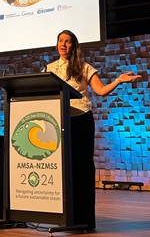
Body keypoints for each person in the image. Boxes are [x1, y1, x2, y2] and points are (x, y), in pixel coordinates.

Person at [44, 29, 141, 232]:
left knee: (82, 168)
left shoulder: (84, 67)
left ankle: (85, 220)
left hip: (81, 120)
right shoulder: (49, 68)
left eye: (67, 41)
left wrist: (118, 80)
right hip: (60, 121)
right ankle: (68, 218)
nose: (63, 44)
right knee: (65, 169)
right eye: (60, 41)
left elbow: (101, 90)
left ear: (73, 45)